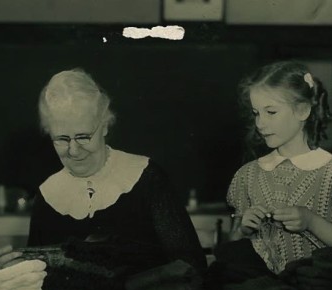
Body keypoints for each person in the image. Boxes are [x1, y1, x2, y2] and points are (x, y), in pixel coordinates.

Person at [26, 69, 206, 273]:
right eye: (61, 139)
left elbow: (191, 265)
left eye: (83, 137)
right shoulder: (48, 194)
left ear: (104, 127)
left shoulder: (145, 177)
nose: (73, 151)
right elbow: (36, 274)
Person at [226, 60, 332, 274]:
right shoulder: (247, 175)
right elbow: (233, 245)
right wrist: (243, 230)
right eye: (256, 113)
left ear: (303, 111)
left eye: (271, 112)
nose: (260, 123)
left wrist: (311, 221)